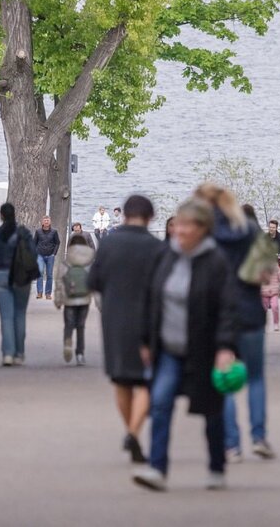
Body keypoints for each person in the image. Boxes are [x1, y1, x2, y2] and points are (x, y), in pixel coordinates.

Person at [133, 198, 238, 492]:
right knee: (161, 402)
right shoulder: (165, 256)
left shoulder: (216, 262)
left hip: (205, 349)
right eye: (177, 224)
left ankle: (217, 467)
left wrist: (225, 347)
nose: (179, 230)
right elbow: (150, 300)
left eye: (186, 225)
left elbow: (228, 308)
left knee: (211, 411)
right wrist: (144, 340)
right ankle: (157, 469)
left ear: (202, 228)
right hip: (168, 348)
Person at [194, 183, 275, 464]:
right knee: (255, 377)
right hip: (250, 309)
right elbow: (266, 273)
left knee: (223, 381)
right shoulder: (250, 230)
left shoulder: (204, 234)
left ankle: (231, 444)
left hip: (217, 315)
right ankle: (259, 437)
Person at [88, 195, 165, 464]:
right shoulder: (157, 248)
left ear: (124, 215)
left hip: (115, 320)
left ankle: (129, 430)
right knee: (146, 381)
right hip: (149, 320)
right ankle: (133, 432)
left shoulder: (109, 244)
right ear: (150, 217)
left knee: (121, 380)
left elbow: (93, 281)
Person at [0, 203, 36, 366]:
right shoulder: (24, 233)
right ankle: (19, 354)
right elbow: (33, 254)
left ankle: (7, 353)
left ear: (1, 215)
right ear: (14, 214)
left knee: (6, 316)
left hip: (1, 276)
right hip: (21, 277)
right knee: (19, 314)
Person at [54, 235, 95, 365]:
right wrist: (100, 302)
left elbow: (59, 282)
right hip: (85, 298)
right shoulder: (89, 262)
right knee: (81, 325)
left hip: (69, 298)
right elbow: (95, 282)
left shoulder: (66, 262)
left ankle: (67, 342)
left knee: (69, 324)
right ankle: (80, 354)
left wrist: (58, 300)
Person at [33, 216, 60, 300]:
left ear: (50, 222)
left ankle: (48, 293)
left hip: (50, 256)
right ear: (42, 222)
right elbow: (34, 243)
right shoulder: (38, 231)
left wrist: (54, 254)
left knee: (49, 275)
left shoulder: (54, 231)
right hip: (39, 255)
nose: (46, 222)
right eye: (45, 220)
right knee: (40, 273)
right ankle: (39, 292)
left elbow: (57, 243)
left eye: (48, 220)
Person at [261, 256, 280, 333]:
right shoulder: (261, 268)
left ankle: (276, 323)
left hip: (274, 292)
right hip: (264, 292)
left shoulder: (276, 267)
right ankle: (262, 324)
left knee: (275, 306)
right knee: (264, 309)